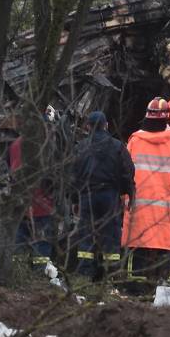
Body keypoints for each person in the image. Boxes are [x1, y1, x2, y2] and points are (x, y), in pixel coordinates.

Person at [122, 98, 170, 283]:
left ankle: (134, 283)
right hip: (168, 206)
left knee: (137, 244)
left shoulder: (135, 140)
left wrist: (124, 199)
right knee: (168, 246)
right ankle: (169, 283)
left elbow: (125, 173)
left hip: (139, 204)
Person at [72, 111, 135, 278]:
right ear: (106, 125)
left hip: (87, 196)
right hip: (110, 196)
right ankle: (110, 274)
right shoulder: (117, 146)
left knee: (86, 233)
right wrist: (129, 193)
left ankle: (85, 274)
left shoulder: (81, 146)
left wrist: (74, 198)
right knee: (111, 234)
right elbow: (128, 171)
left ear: (88, 127)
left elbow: (73, 173)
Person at [9, 135, 55, 269]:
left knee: (19, 241)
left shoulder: (14, 144)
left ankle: (18, 270)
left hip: (20, 203)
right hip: (42, 204)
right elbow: (52, 174)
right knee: (41, 242)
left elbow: (12, 172)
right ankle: (39, 274)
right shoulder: (45, 143)